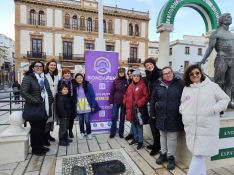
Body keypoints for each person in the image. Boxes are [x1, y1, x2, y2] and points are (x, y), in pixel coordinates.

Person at [180, 64, 230, 175]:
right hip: (191, 127)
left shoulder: (212, 86)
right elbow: (183, 103)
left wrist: (213, 110)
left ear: (201, 73)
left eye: (197, 73)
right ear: (188, 76)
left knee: (198, 154)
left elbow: (225, 99)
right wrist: (183, 111)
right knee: (198, 154)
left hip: (206, 127)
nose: (195, 75)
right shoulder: (187, 88)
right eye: (191, 74)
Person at [150, 67, 184, 170]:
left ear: (172, 73)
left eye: (169, 72)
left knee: (172, 137)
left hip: (175, 115)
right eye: (165, 74)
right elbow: (153, 98)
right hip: (161, 115)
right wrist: (152, 111)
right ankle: (163, 153)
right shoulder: (159, 84)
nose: (167, 75)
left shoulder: (180, 84)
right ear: (162, 75)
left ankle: (171, 157)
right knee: (162, 135)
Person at [200, 13, 234, 108]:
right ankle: (217, 103)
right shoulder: (216, 33)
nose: (230, 18)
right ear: (221, 20)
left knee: (230, 83)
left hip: (232, 60)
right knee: (219, 82)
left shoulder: (231, 34)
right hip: (221, 59)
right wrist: (203, 59)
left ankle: (228, 102)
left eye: (230, 17)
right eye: (227, 17)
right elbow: (210, 48)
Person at [21, 61, 54, 156]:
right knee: (35, 130)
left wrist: (50, 99)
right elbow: (23, 92)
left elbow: (47, 90)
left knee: (41, 128)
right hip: (34, 108)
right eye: (37, 66)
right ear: (33, 68)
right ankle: (36, 149)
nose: (39, 67)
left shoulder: (44, 78)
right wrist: (36, 101)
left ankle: (41, 146)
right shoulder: (28, 78)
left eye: (41, 66)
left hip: (45, 107)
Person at [124, 70, 149, 150]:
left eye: (137, 76)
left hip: (139, 109)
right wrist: (125, 101)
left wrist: (139, 103)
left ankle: (140, 141)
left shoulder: (142, 85)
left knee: (139, 125)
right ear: (132, 77)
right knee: (133, 124)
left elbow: (146, 96)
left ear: (140, 77)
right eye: (134, 76)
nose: (136, 77)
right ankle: (135, 138)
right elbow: (126, 94)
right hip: (130, 109)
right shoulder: (130, 86)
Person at [73, 73, 100, 140]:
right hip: (79, 106)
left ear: (83, 78)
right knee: (81, 121)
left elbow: (93, 96)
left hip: (87, 105)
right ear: (75, 79)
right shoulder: (75, 86)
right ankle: (82, 132)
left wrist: (93, 106)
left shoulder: (88, 85)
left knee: (87, 121)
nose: (79, 79)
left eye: (80, 78)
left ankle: (89, 133)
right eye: (77, 78)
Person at [144, 58, 161, 156]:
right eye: (147, 65)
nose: (149, 66)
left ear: (154, 64)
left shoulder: (160, 73)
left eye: (150, 64)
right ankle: (156, 144)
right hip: (152, 103)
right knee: (152, 124)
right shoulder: (149, 76)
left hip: (160, 103)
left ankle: (158, 146)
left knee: (157, 125)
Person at [109, 68, 128, 138]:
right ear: (118, 73)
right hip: (116, 101)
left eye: (122, 72)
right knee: (114, 117)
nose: (121, 73)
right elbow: (112, 92)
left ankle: (121, 132)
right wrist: (111, 101)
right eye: (120, 72)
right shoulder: (115, 81)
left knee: (122, 117)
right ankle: (112, 132)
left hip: (124, 102)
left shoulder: (127, 81)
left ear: (124, 73)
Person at [44, 59, 59, 146]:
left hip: (55, 100)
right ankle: (44, 137)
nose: (53, 66)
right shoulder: (44, 75)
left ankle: (49, 134)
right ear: (48, 66)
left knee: (52, 118)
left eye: (54, 65)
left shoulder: (56, 76)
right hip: (47, 100)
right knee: (47, 119)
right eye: (51, 65)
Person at [58, 69, 75, 138]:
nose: (67, 74)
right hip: (64, 102)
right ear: (63, 75)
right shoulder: (60, 82)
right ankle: (65, 132)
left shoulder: (73, 81)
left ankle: (70, 131)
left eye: (68, 73)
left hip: (72, 102)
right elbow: (58, 91)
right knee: (65, 118)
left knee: (72, 117)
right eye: (65, 73)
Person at [125, 68, 135, 141]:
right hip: (129, 103)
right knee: (132, 119)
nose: (129, 75)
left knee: (134, 120)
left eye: (130, 73)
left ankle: (133, 134)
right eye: (128, 74)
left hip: (135, 103)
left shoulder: (136, 81)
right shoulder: (129, 81)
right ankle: (132, 133)